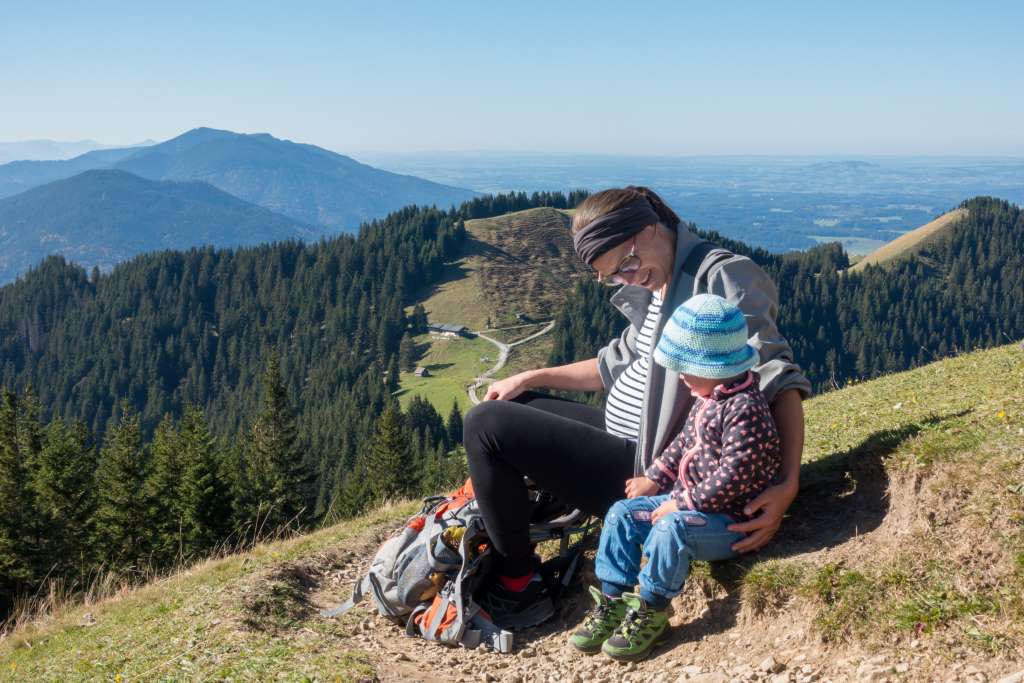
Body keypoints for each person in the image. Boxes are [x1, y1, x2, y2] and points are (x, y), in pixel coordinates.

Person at [464, 187, 810, 629]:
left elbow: (776, 376)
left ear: (649, 229)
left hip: (655, 471)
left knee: (486, 425)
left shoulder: (721, 277)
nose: (628, 278)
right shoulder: (661, 281)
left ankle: (520, 584)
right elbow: (612, 365)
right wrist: (530, 377)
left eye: (626, 264)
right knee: (517, 403)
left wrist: (788, 482)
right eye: (614, 276)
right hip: (625, 442)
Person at [568, 293, 782, 661]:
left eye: (686, 365)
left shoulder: (744, 409)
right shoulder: (708, 398)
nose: (679, 374)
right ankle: (614, 600)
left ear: (714, 365)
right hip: (688, 503)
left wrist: (678, 503)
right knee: (622, 511)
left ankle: (652, 609)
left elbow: (732, 478)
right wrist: (654, 478)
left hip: (728, 521)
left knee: (672, 529)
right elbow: (683, 443)